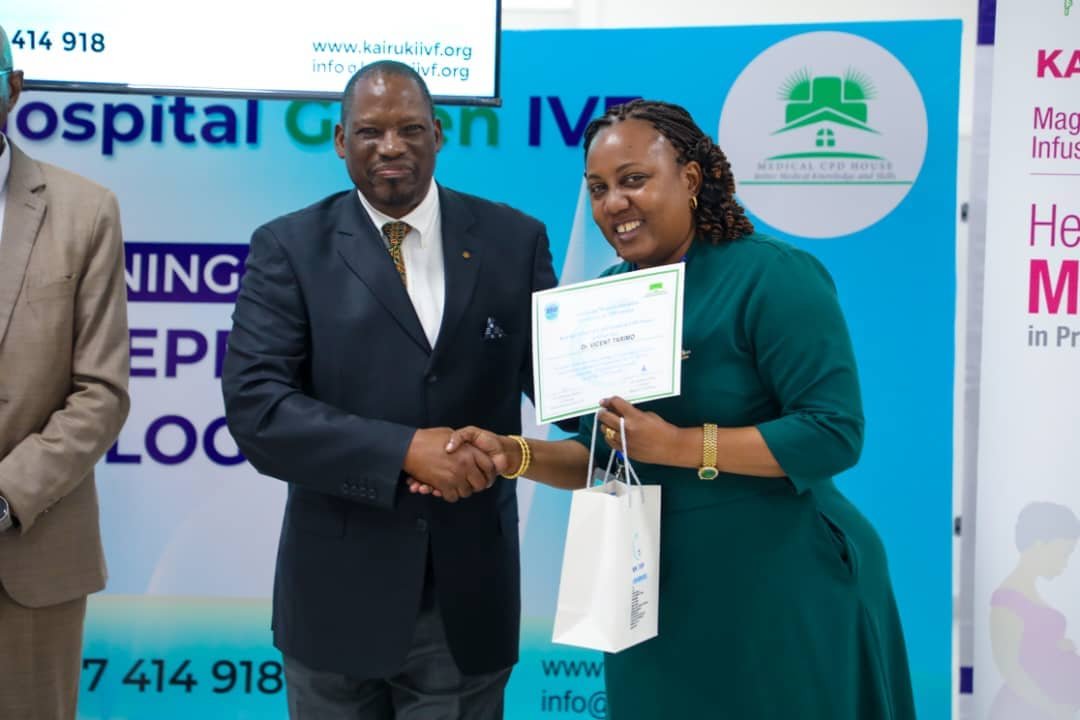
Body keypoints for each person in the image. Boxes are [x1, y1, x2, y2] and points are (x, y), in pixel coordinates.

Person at [420, 99, 917, 718]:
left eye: (634, 180)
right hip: (645, 591)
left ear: (690, 178)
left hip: (780, 581)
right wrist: (514, 454)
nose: (614, 203)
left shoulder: (772, 276)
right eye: (598, 189)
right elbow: (606, 457)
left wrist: (681, 445)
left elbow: (832, 432)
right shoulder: (602, 299)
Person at [221, 60, 556, 718]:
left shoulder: (514, 241)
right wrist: (405, 450)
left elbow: (564, 386)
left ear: (439, 133)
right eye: (370, 132)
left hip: (467, 599)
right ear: (340, 141)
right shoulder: (290, 247)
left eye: (410, 129)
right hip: (334, 601)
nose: (391, 146)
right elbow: (259, 410)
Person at [0, 25, 131, 720]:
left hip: (29, 553)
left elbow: (101, 393)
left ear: (13, 89)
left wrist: (5, 495)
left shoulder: (85, 211)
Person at [990, 501, 1080, 720]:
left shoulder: (1029, 593)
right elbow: (1010, 668)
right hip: (1024, 709)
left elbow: (1030, 649)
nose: (1065, 563)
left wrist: (1056, 649)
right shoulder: (1006, 600)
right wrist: (1052, 709)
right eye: (1063, 553)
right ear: (1040, 545)